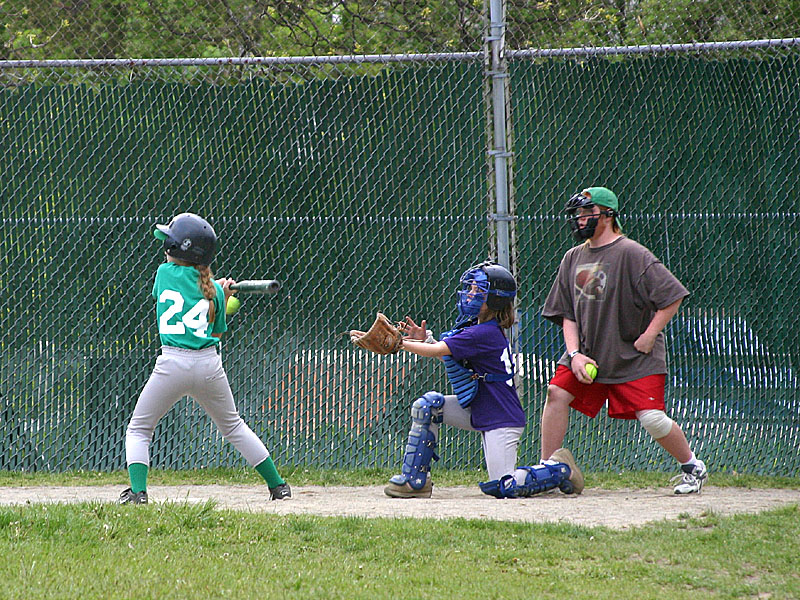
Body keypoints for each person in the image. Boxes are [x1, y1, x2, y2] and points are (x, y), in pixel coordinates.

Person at [541, 187, 707, 494]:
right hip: (589, 354)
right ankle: (546, 470)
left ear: (608, 215)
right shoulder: (572, 257)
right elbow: (568, 315)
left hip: (634, 356)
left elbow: (672, 297)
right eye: (577, 214)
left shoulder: (633, 253)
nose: (580, 220)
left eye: (586, 213)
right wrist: (574, 354)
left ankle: (692, 466)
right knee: (556, 393)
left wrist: (649, 335)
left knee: (653, 420)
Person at [118, 212, 291, 504]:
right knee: (234, 426)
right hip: (209, 365)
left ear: (179, 250)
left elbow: (180, 290)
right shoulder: (215, 292)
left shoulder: (162, 274)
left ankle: (138, 492)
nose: (165, 248)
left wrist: (216, 292)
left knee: (139, 429)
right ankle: (278, 486)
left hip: (172, 364)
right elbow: (216, 329)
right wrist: (221, 294)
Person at [384, 260, 584, 499]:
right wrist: (423, 341)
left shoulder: (484, 333)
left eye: (477, 291)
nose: (469, 295)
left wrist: (399, 344)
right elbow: (449, 356)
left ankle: (559, 468)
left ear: (495, 300)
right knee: (428, 407)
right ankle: (415, 481)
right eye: (470, 289)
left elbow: (438, 351)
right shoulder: (475, 327)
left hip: (501, 417)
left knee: (505, 486)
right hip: (479, 407)